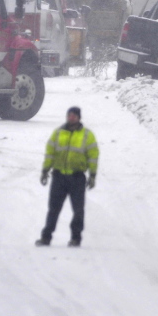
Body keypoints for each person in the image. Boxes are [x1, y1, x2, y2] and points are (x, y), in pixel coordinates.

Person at [36, 106, 99, 247]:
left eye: (74, 115)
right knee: (53, 209)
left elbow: (93, 156)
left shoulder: (87, 135)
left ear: (79, 118)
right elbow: (50, 153)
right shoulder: (58, 133)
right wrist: (45, 170)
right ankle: (46, 237)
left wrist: (92, 175)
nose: (71, 118)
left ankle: (76, 238)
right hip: (59, 177)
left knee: (78, 210)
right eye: (69, 115)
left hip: (77, 178)